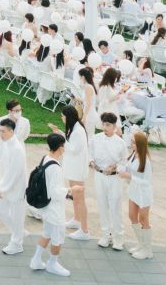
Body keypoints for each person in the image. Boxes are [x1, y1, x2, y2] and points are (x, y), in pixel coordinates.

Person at [29, 133, 71, 277]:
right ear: (60, 147)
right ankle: (52, 264)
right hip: (54, 208)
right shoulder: (56, 167)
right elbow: (55, 191)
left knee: (47, 232)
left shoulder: (46, 159)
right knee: (58, 236)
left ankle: (36, 260)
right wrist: (71, 191)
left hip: (45, 206)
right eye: (63, 146)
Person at [47, 105, 91, 240]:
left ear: (68, 117)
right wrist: (60, 132)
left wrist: (60, 136)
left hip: (77, 169)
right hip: (73, 167)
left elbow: (73, 149)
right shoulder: (74, 128)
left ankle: (85, 230)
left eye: (63, 116)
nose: (61, 118)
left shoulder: (78, 131)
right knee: (75, 196)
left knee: (79, 198)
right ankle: (77, 220)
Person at [89, 112, 127, 251]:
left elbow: (124, 162)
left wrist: (116, 167)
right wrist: (91, 161)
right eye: (103, 124)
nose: (105, 127)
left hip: (114, 178)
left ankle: (119, 238)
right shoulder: (95, 139)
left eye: (108, 125)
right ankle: (105, 235)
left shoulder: (120, 143)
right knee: (102, 205)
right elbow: (89, 153)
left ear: (114, 126)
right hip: (99, 176)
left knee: (115, 207)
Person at [120, 130, 154, 260]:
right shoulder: (134, 154)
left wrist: (130, 176)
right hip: (133, 191)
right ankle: (141, 244)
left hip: (144, 194)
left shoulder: (146, 161)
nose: (131, 144)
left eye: (133, 142)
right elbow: (128, 168)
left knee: (143, 219)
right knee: (132, 216)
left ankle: (147, 249)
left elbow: (147, 182)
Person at [0, 117, 27, 255]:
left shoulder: (17, 149)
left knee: (16, 216)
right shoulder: (4, 144)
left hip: (16, 188)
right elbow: (1, 164)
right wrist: (1, 185)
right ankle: (18, 232)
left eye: (3, 131)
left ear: (11, 131)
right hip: (4, 184)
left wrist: (3, 188)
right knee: (0, 210)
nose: (0, 134)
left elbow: (14, 173)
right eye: (0, 131)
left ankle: (17, 243)